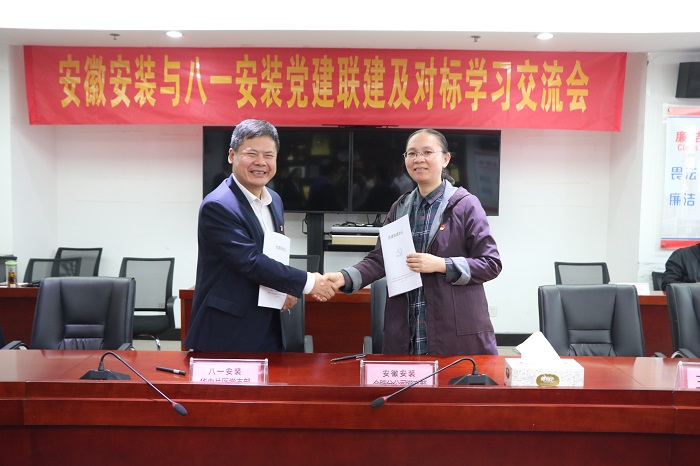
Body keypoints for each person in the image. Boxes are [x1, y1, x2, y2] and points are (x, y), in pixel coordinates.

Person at [327, 128, 502, 355]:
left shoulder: (466, 205)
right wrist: (344, 277)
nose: (418, 159)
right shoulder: (399, 208)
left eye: (427, 152)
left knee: (454, 378)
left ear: (445, 159)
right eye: (411, 153)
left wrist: (441, 264)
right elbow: (380, 259)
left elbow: (491, 263)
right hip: (407, 327)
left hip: (452, 330)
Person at [185, 119, 335, 352]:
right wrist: (309, 282)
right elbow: (251, 261)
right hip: (227, 332)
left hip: (269, 325)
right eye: (251, 154)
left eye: (269, 155)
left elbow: (274, 254)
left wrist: (285, 288)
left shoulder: (275, 200)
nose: (261, 163)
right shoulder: (219, 205)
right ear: (232, 155)